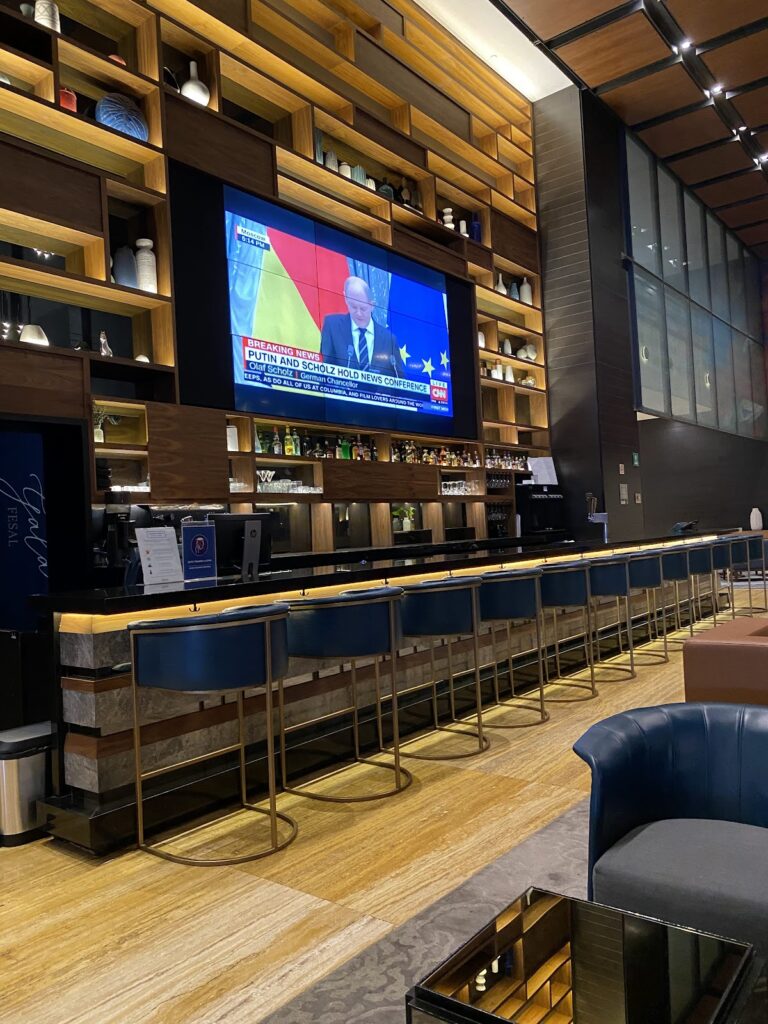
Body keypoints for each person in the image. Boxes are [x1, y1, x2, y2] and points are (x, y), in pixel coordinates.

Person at [320, 276, 404, 376]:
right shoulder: (332, 326)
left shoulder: (389, 340)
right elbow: (324, 372)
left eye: (363, 308)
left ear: (372, 305)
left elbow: (399, 380)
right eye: (353, 307)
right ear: (346, 299)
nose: (358, 313)